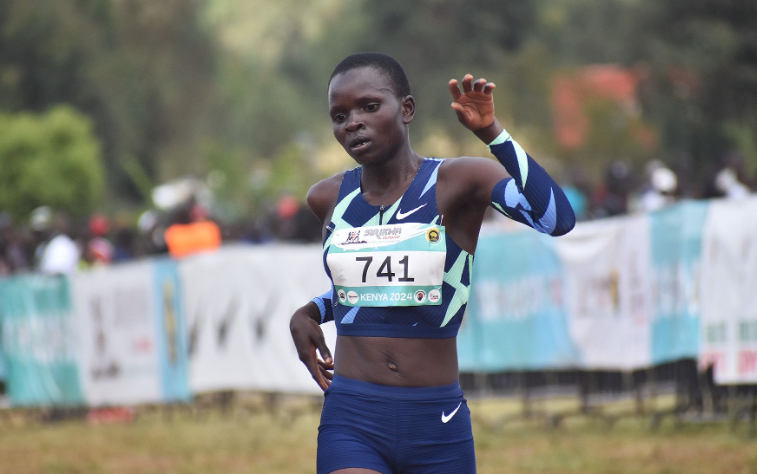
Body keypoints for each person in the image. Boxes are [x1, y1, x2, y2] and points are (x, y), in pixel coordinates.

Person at [289, 53, 575, 474]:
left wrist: (492, 134)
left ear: (406, 109)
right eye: (339, 115)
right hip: (353, 416)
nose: (352, 122)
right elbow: (369, 287)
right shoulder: (328, 198)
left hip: (436, 419)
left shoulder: (460, 182)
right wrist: (311, 310)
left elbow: (556, 220)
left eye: (369, 107)